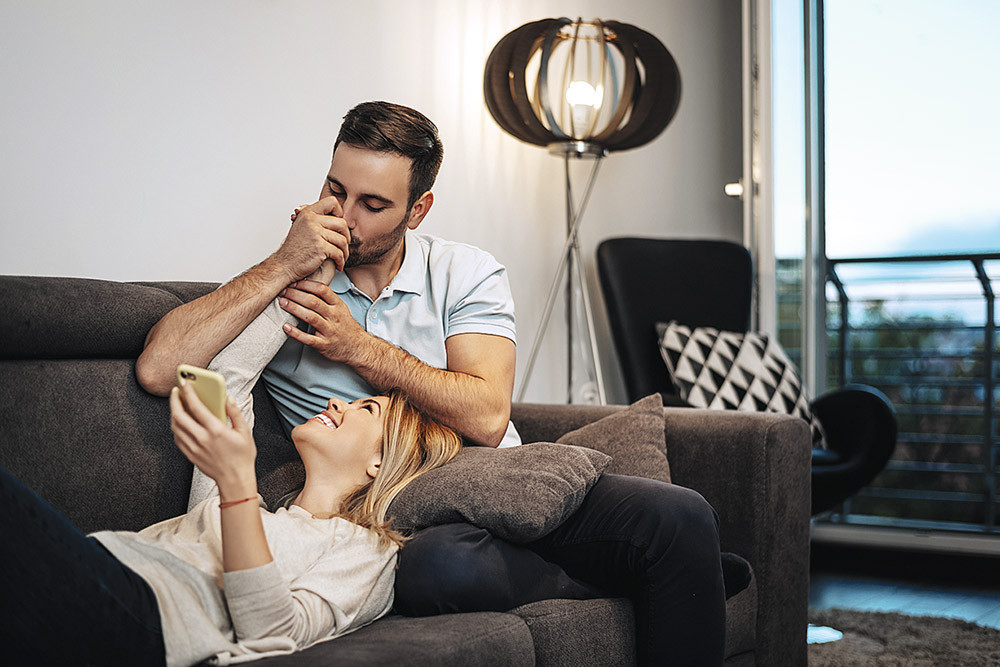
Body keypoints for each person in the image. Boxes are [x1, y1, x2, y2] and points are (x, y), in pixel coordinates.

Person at [136, 101, 728, 665]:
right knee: (438, 571)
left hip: (500, 482)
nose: (344, 217)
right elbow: (159, 368)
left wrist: (360, 349)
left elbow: (487, 417)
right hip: (402, 509)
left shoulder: (462, 272)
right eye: (335, 190)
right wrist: (282, 265)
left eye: (373, 204)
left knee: (678, 516)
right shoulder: (291, 288)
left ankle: (669, 568)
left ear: (417, 211)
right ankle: (605, 581)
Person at [0, 373, 462, 666]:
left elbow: (276, 634)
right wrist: (298, 271)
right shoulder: (248, 502)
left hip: (143, 617)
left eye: (367, 408)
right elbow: (231, 375)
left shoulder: (366, 548)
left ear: (380, 462)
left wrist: (237, 486)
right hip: (100, 562)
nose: (337, 402)